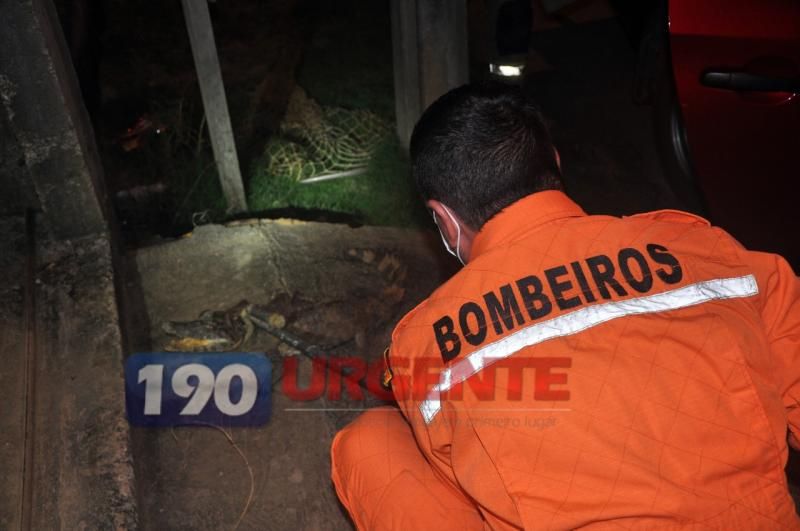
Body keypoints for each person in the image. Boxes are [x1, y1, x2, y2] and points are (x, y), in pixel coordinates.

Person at [330, 82, 800, 530]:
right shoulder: (706, 251)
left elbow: (452, 475)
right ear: (554, 162)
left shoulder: (429, 342)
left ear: (444, 220)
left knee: (372, 441)